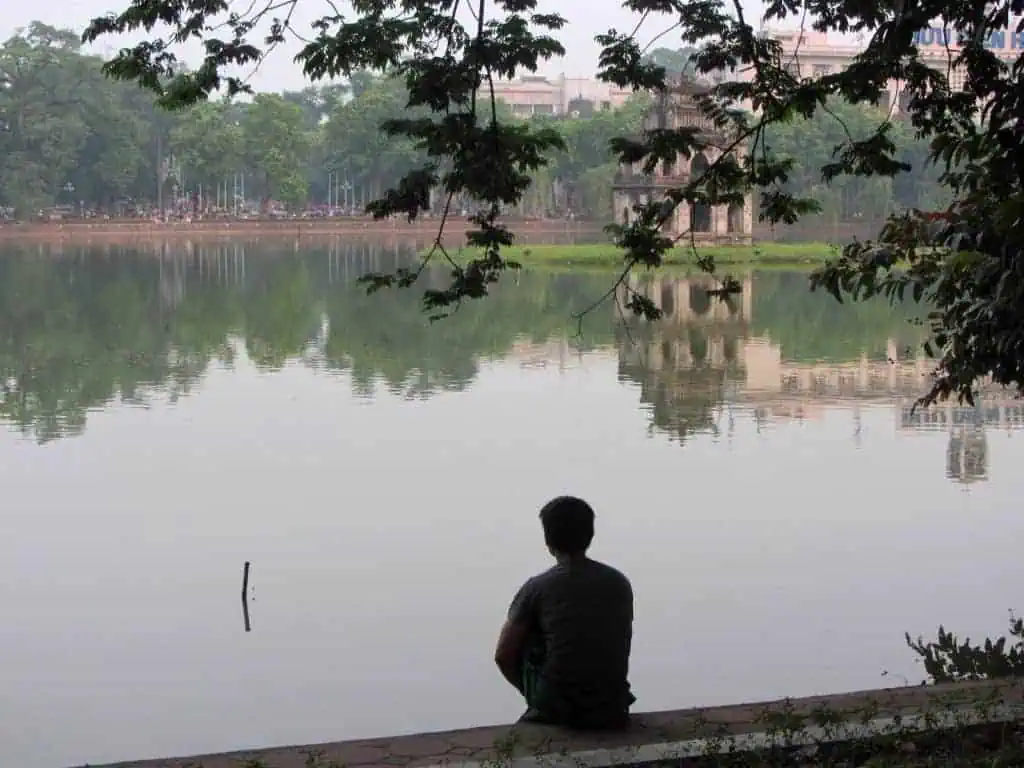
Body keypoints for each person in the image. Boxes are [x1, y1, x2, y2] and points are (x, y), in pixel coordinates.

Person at [494, 496, 635, 729]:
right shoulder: (619, 582)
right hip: (613, 704)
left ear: (548, 540)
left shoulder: (536, 588)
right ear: (590, 535)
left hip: (556, 708)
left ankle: (542, 705)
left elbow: (503, 655)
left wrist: (536, 695)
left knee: (527, 635)